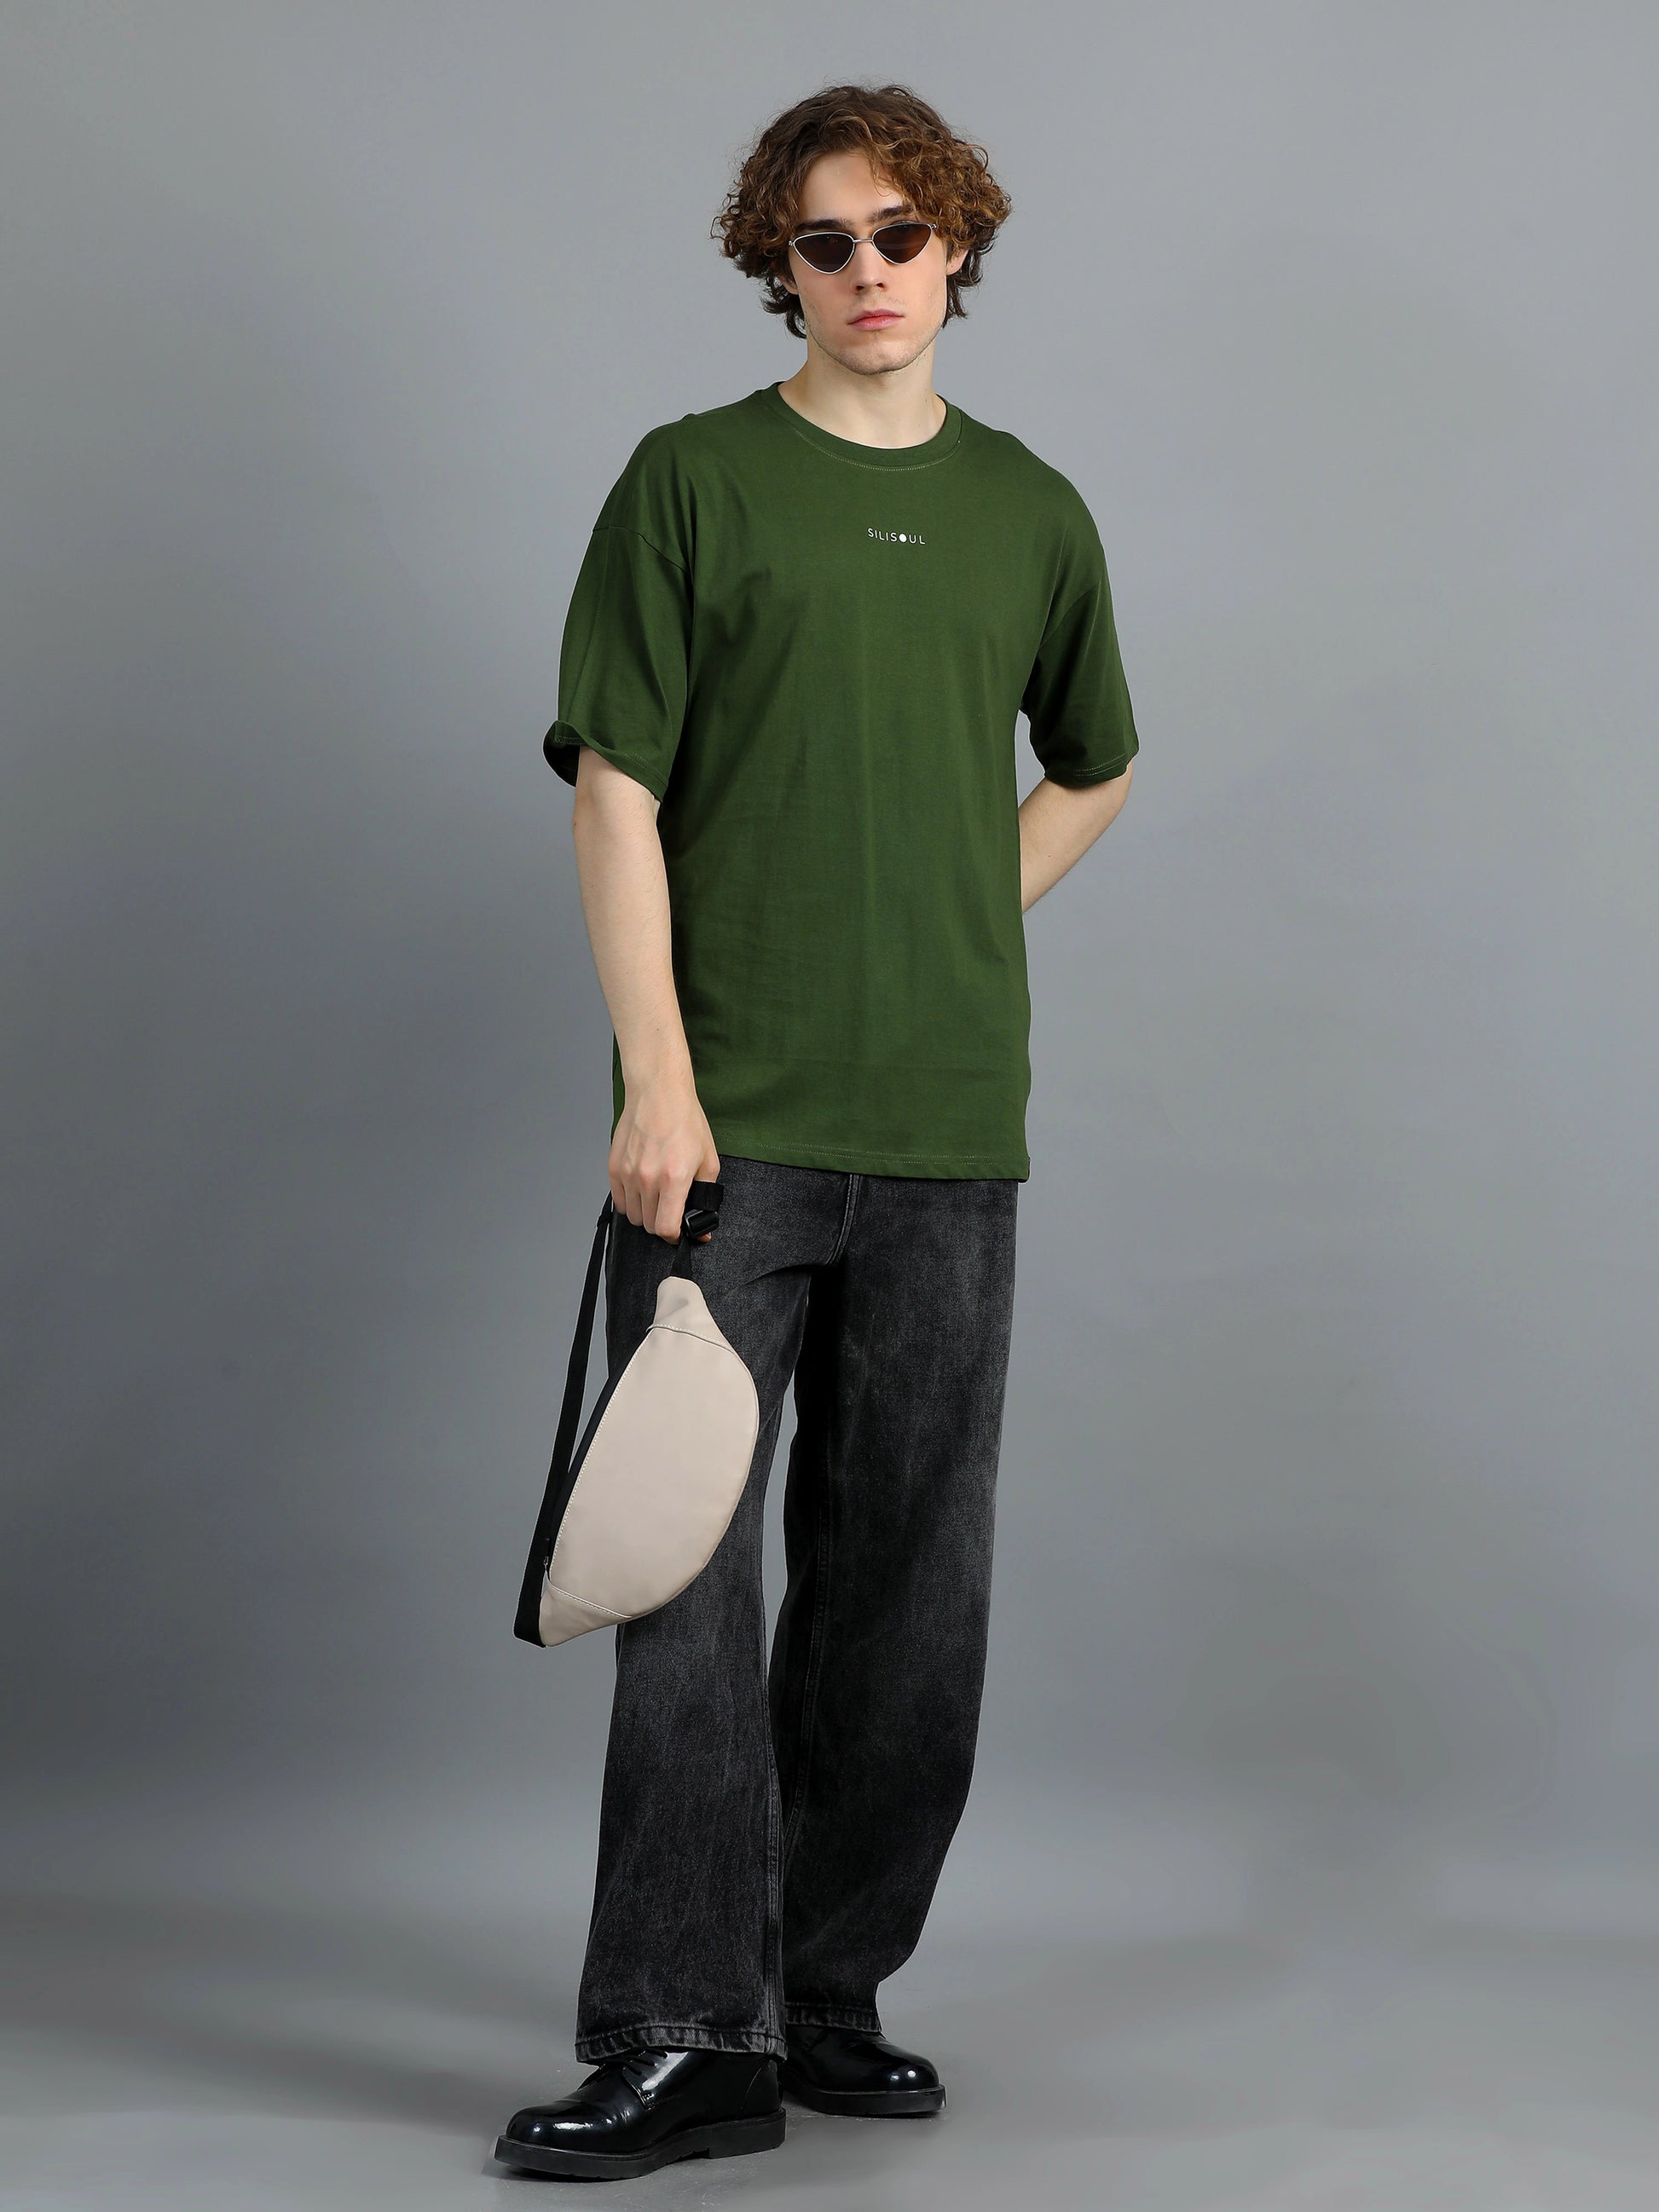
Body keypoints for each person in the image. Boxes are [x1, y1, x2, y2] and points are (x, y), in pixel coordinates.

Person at [492, 80, 1138, 2181]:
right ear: (777, 264)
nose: (866, 273)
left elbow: (1095, 760)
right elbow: (616, 791)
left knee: (905, 1583)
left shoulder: (1031, 511)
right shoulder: (692, 481)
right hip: (727, 1124)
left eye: (900, 235)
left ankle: (822, 1989)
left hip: (949, 1123)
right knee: (683, 1571)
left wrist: (957, 913)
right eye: (824, 242)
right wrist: (656, 1074)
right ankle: (687, 2030)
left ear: (960, 246)